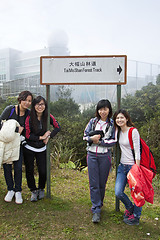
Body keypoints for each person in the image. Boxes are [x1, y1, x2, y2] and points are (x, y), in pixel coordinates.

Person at [83, 99, 117, 223]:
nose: (103, 111)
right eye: (100, 109)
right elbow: (84, 136)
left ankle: (99, 203)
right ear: (98, 110)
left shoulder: (112, 124)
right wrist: (91, 139)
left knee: (102, 183)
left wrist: (100, 142)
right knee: (93, 183)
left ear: (109, 110)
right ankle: (96, 209)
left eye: (105, 109)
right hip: (91, 155)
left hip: (105, 157)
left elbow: (113, 140)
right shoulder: (93, 122)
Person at [23, 96, 60, 202]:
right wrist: (42, 137)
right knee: (29, 170)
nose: (40, 106)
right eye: (38, 104)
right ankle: (33, 190)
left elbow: (58, 127)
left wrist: (49, 136)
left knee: (43, 171)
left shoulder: (48, 116)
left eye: (42, 104)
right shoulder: (29, 116)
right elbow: (27, 135)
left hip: (41, 148)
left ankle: (41, 188)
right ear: (34, 106)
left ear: (45, 106)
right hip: (29, 147)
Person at [0, 91, 33, 204]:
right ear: (20, 100)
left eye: (29, 101)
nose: (27, 103)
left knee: (18, 167)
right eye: (25, 100)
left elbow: (30, 128)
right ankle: (10, 189)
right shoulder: (10, 109)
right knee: (7, 166)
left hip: (19, 144)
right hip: (7, 143)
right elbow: (0, 123)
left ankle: (18, 190)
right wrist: (15, 130)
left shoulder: (29, 114)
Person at [113, 109, 142, 225]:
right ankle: (130, 208)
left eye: (121, 118)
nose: (119, 120)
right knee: (118, 192)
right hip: (122, 166)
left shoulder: (133, 131)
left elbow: (138, 150)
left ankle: (136, 217)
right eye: (117, 118)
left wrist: (137, 168)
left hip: (132, 166)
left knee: (136, 193)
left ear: (127, 119)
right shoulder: (118, 131)